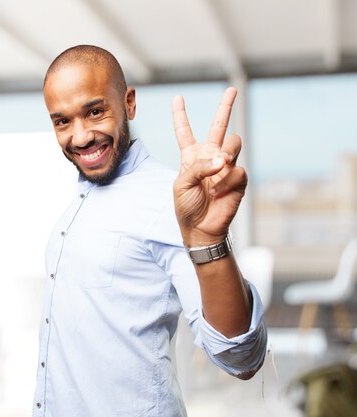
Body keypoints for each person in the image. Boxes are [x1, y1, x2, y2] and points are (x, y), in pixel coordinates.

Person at [33, 45, 267, 417]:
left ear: (129, 103)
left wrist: (209, 241)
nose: (79, 137)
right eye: (62, 121)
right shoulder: (81, 198)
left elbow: (241, 357)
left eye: (95, 112)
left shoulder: (166, 199)